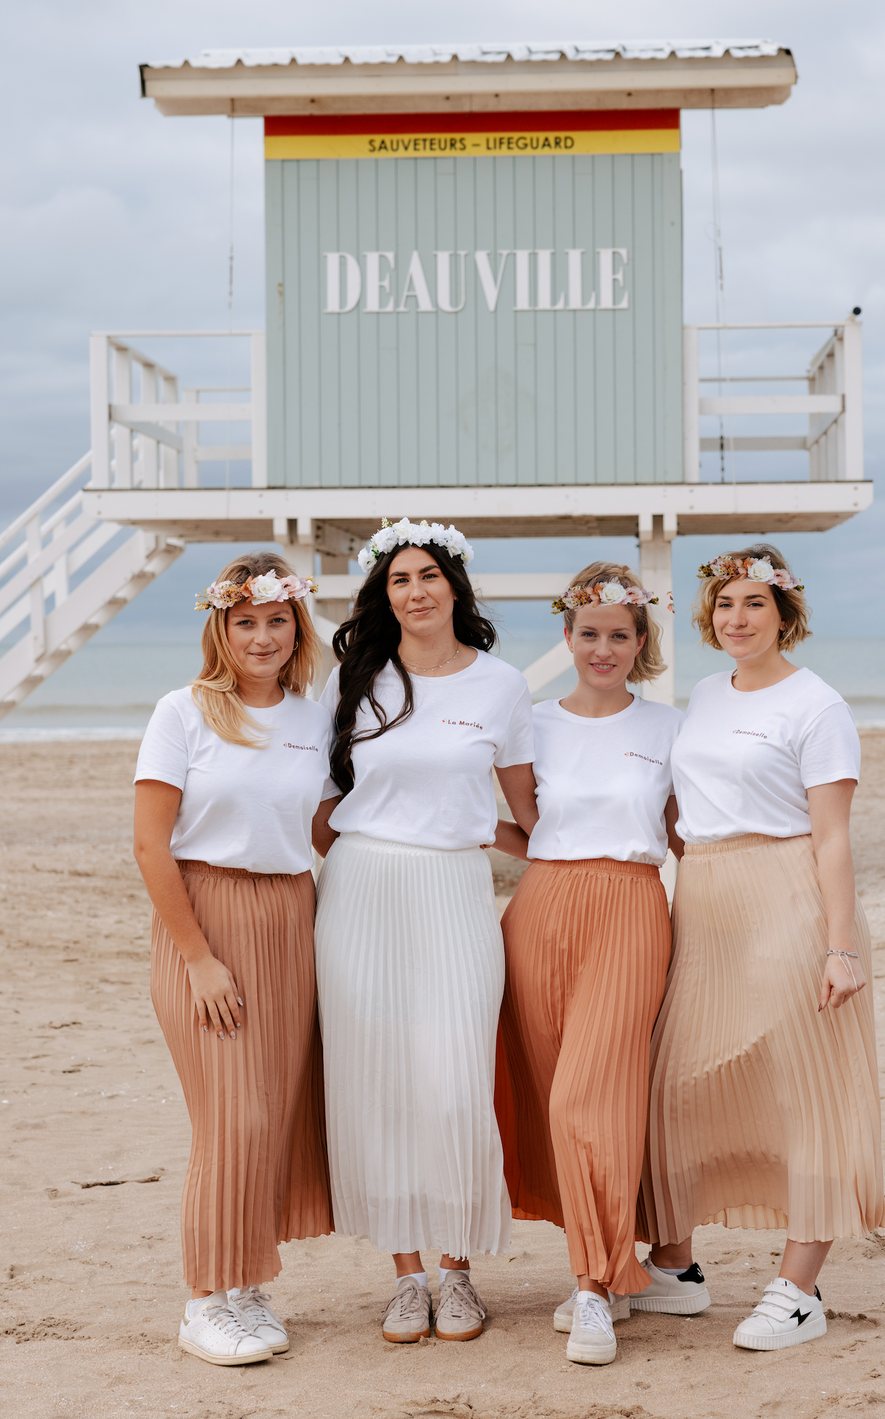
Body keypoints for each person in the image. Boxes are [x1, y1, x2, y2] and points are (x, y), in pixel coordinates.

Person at [639, 545, 885, 1351]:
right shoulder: (706, 692)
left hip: (787, 893)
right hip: (703, 896)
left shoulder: (818, 705)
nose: (737, 618)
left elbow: (834, 838)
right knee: (678, 1077)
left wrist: (840, 947)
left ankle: (798, 1286)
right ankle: (674, 1266)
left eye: (754, 603)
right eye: (724, 605)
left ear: (785, 613)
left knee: (803, 1087)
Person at [312, 519, 537, 1344]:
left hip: (453, 885)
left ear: (455, 585)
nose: (415, 591)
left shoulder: (501, 685)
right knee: (376, 1083)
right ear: (384, 592)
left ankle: (459, 1269)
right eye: (400, 579)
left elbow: (526, 812)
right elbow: (316, 802)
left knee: (454, 1082)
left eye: (428, 575)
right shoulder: (353, 677)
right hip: (363, 886)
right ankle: (407, 1275)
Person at [492, 562, 709, 1367]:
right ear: (567, 635)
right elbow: (523, 827)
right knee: (557, 1099)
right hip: (541, 912)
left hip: (629, 908)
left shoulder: (669, 727)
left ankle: (593, 1286)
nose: (603, 648)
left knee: (594, 1096)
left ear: (642, 640)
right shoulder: (532, 723)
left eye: (621, 634)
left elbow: (690, 834)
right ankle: (613, 1263)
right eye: (590, 633)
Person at [133, 553, 334, 1366]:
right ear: (221, 625)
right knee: (232, 1118)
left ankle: (244, 1284)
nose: (261, 635)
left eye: (277, 619)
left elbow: (323, 832)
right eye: (244, 620)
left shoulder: (313, 719)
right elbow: (151, 845)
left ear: (297, 626)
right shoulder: (182, 711)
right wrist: (199, 958)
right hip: (206, 918)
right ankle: (204, 1299)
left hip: (291, 916)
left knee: (273, 1118)